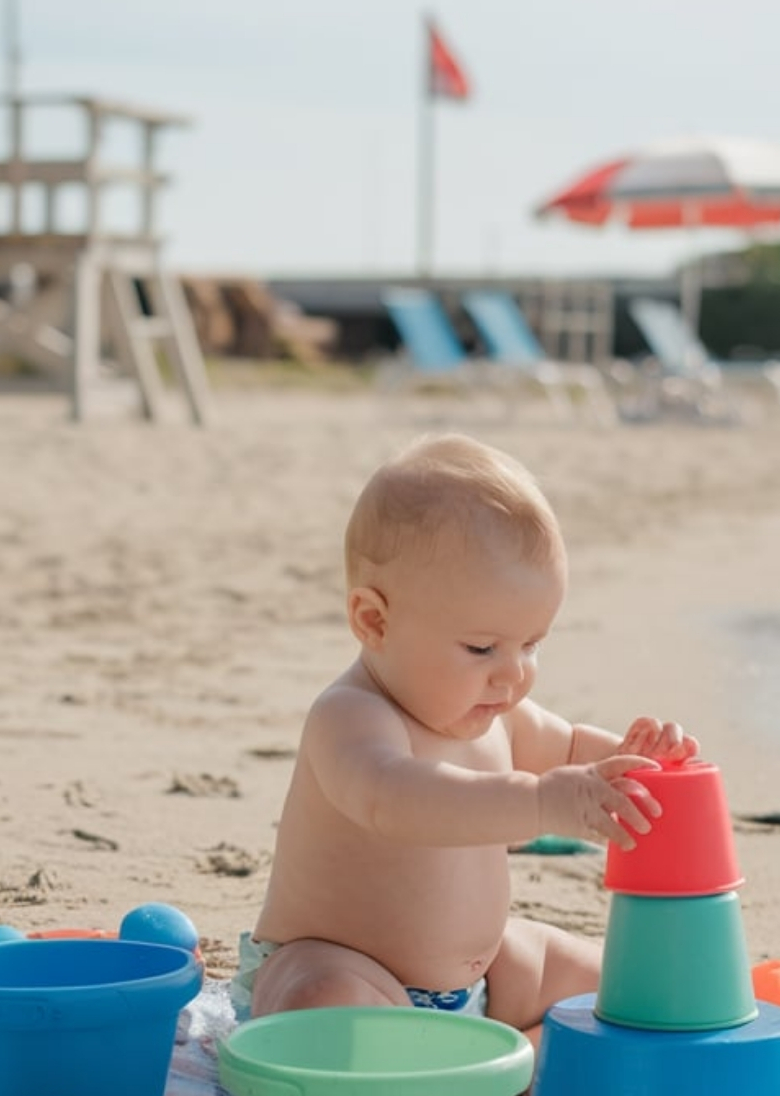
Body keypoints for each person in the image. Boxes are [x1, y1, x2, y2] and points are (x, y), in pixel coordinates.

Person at [233, 433, 698, 1044]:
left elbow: (568, 747)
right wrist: (542, 803)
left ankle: (498, 1049)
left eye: (531, 644)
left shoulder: (497, 710)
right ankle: (497, 1056)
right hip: (347, 971)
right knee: (322, 995)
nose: (513, 674)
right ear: (374, 621)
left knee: (622, 981)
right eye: (482, 648)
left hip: (476, 984)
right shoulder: (352, 718)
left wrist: (633, 757)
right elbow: (396, 800)